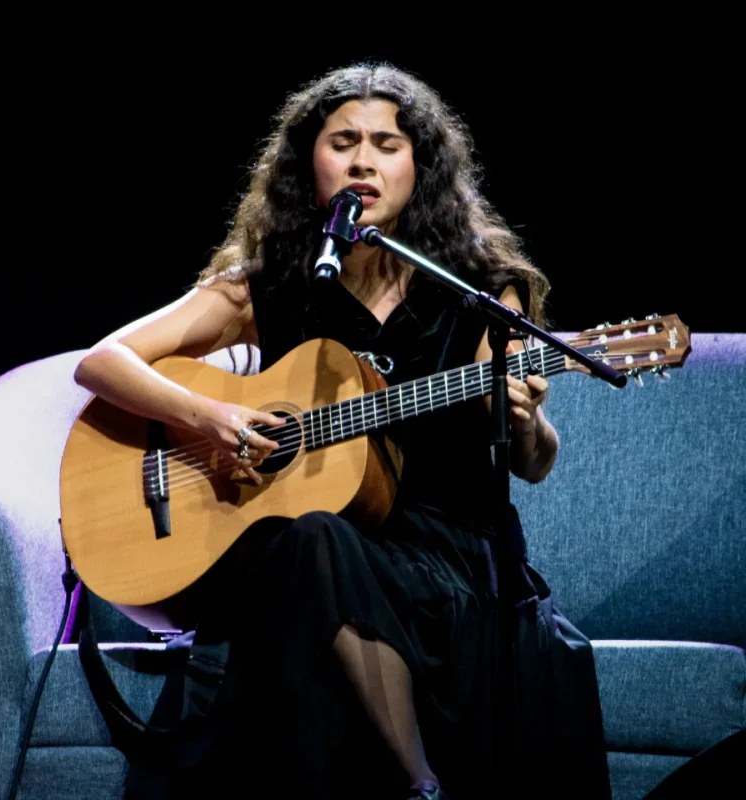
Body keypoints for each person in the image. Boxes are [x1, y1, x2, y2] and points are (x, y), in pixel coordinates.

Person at [72, 63, 611, 800]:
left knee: (313, 542)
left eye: (387, 144)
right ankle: (419, 784)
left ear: (420, 166)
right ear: (309, 164)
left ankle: (414, 781)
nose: (363, 159)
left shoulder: (481, 289)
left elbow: (535, 462)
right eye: (343, 141)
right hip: (301, 558)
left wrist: (526, 422)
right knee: (312, 537)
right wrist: (212, 415)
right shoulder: (273, 284)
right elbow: (104, 363)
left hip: (442, 563)